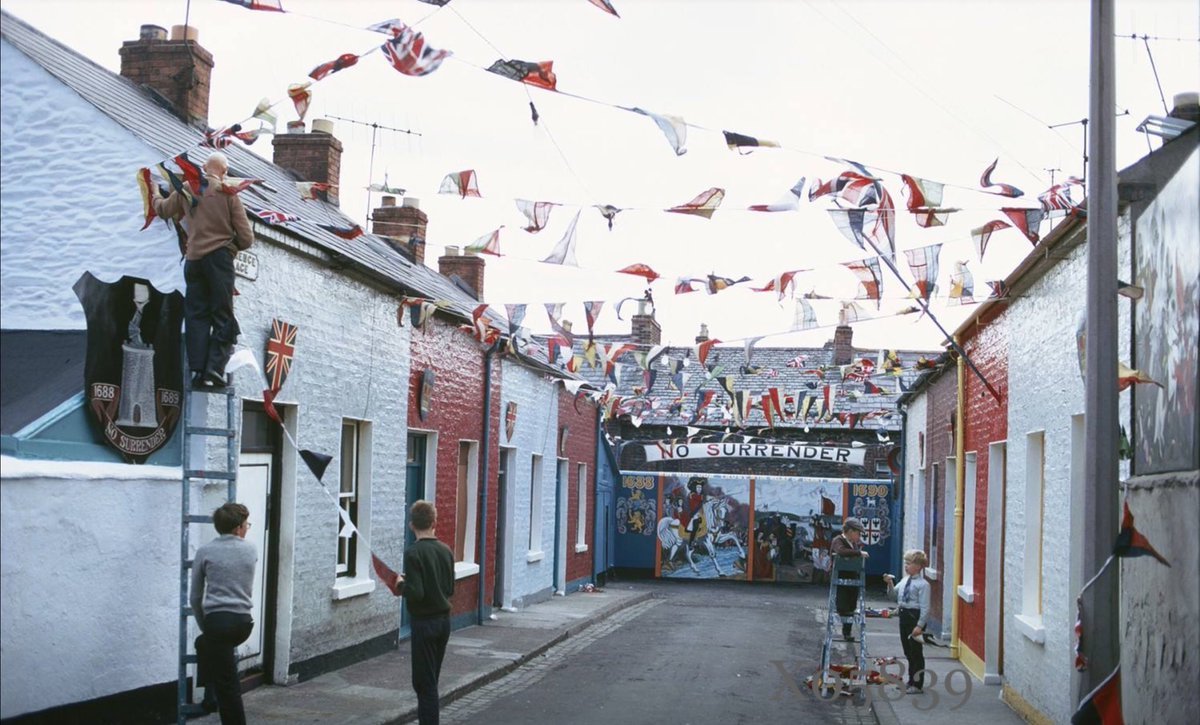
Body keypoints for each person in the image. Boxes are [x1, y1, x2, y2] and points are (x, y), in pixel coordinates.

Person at [153, 151, 254, 389]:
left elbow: (163, 210)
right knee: (222, 314)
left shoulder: (187, 189)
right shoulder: (228, 194)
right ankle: (215, 369)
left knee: (196, 315)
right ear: (225, 172)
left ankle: (197, 370)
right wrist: (229, 246)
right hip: (219, 261)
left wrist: (155, 192)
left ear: (204, 167)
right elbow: (247, 238)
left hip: (194, 260)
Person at [190, 502, 257, 723]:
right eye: (246, 524)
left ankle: (216, 703)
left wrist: (206, 625)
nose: (247, 528)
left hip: (218, 623)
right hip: (244, 623)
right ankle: (209, 699)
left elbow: (195, 597)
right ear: (238, 528)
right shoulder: (251, 550)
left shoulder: (204, 551)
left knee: (228, 686)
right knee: (203, 644)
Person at [393, 500, 455, 725]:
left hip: (425, 623)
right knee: (431, 680)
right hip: (444, 622)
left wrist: (401, 584)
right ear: (434, 522)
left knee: (423, 684)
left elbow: (416, 593)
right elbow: (449, 589)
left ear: (412, 525)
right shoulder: (446, 550)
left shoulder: (414, 553)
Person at [883, 550, 931, 694]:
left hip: (914, 617)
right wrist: (890, 583)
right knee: (908, 651)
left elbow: (925, 607)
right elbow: (893, 596)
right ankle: (910, 680)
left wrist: (920, 625)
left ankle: (917, 684)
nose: (906, 566)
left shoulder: (923, 585)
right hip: (904, 616)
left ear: (918, 566)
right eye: (906, 563)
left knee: (916, 652)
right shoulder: (904, 580)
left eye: (909, 563)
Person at [830, 517, 869, 642]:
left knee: (851, 606)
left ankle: (847, 631)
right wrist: (858, 553)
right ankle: (845, 627)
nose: (859, 536)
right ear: (850, 531)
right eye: (858, 533)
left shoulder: (854, 544)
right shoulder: (838, 540)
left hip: (853, 577)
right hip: (841, 578)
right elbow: (841, 551)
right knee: (843, 605)